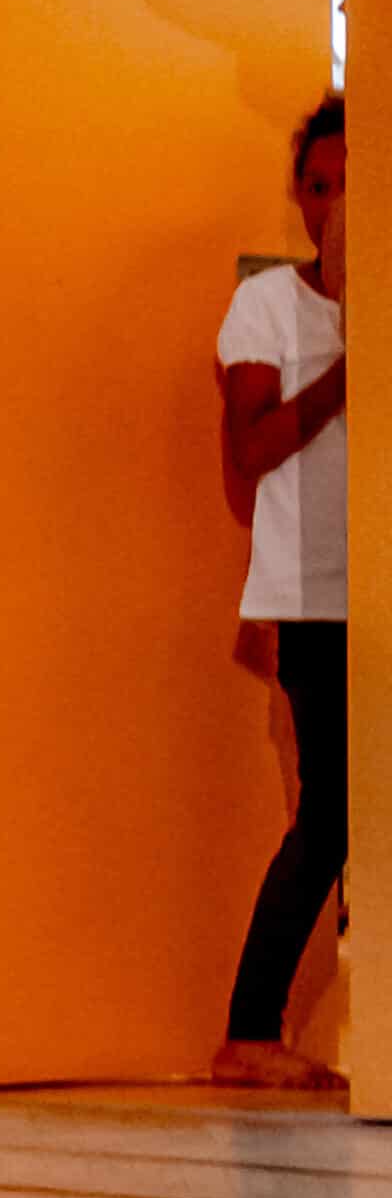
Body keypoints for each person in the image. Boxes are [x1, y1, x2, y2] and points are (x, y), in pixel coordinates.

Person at [211, 92, 348, 1089]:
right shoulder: (264, 306)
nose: (331, 204)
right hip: (313, 599)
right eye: (317, 185)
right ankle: (250, 1032)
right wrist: (353, 366)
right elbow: (252, 451)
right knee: (333, 816)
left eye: (352, 186)